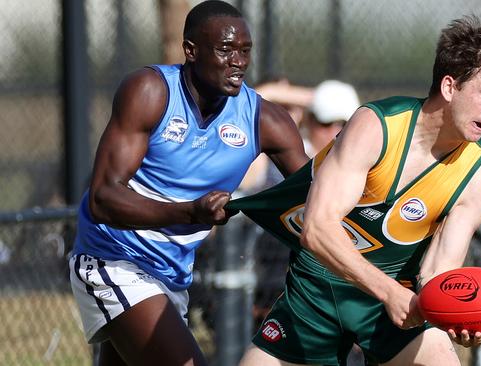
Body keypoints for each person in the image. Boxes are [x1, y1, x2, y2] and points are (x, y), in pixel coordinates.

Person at [231, 15, 481, 365]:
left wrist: (459, 313)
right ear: (450, 87)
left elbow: (437, 272)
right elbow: (316, 229)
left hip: (396, 302)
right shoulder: (376, 127)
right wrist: (387, 291)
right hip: (317, 290)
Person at [67, 1, 308, 365]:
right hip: (113, 260)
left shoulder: (264, 119)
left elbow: (318, 191)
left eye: (245, 51)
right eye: (225, 49)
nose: (239, 61)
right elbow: (103, 198)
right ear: (191, 51)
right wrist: (190, 212)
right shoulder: (150, 91)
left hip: (171, 277)